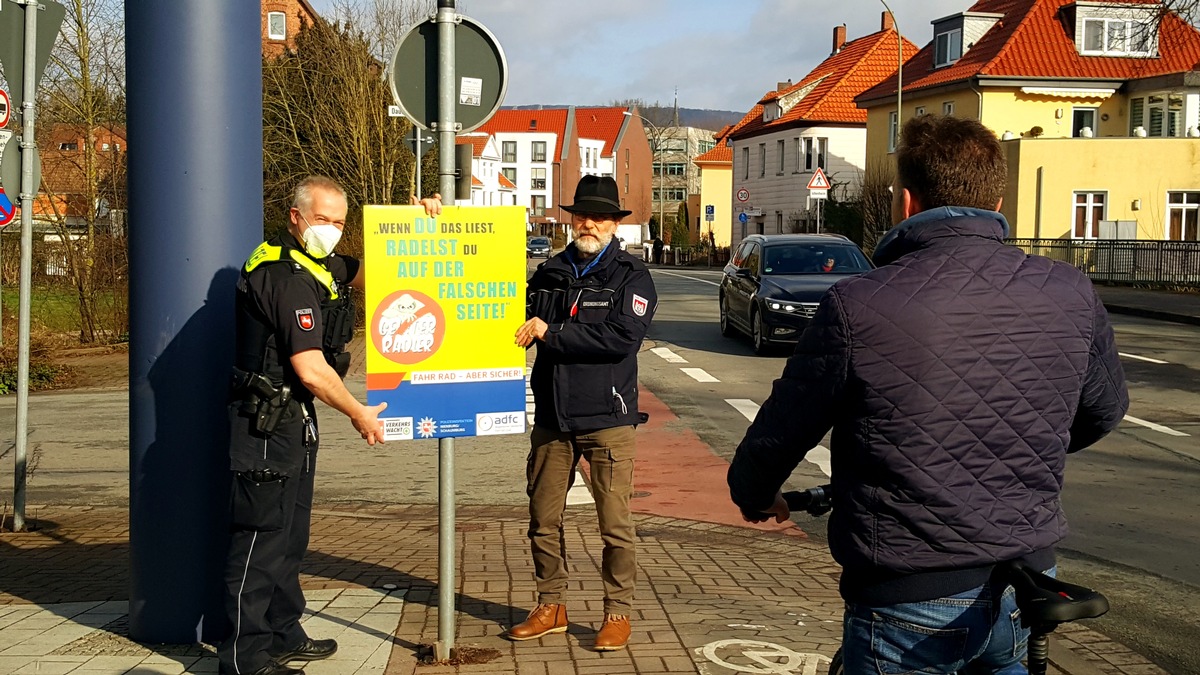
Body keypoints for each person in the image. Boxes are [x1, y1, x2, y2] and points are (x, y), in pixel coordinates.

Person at [727, 115, 1128, 674]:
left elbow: (782, 429)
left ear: (908, 201)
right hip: (1025, 576)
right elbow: (1104, 411)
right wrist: (1014, 454)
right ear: (996, 195)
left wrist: (753, 492)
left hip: (908, 584)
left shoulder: (860, 303)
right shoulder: (1070, 289)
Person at [219, 176, 441, 675]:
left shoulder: (315, 264)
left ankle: (282, 633)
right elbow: (311, 368)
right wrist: (359, 412)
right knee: (259, 540)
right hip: (264, 423)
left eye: (340, 222)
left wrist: (413, 224)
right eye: (323, 220)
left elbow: (381, 274)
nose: (332, 231)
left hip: (291, 418)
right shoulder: (284, 275)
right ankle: (244, 659)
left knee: (290, 536)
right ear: (296, 217)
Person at [508, 175, 657, 652]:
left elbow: (621, 339)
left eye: (600, 216)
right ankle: (550, 605)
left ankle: (617, 612)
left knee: (614, 524)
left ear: (615, 223)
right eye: (581, 215)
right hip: (553, 417)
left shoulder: (631, 278)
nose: (589, 223)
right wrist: (432, 223)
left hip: (608, 420)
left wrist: (551, 333)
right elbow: (498, 310)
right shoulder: (548, 273)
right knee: (542, 518)